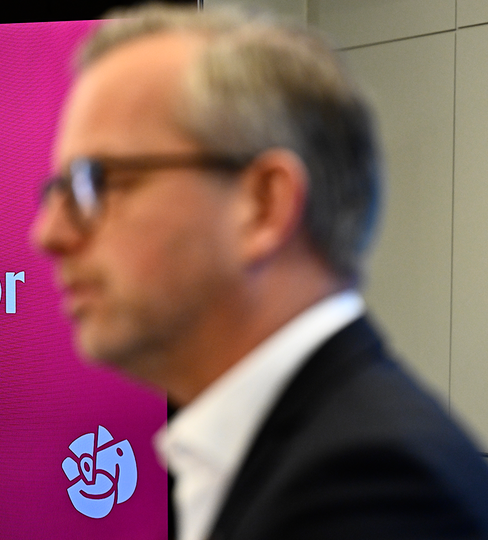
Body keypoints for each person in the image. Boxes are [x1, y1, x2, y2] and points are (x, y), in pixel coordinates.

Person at [32, 5, 488, 540]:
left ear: (263, 205)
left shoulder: (371, 489)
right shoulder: (280, 454)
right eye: (57, 191)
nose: (48, 234)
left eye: (97, 183)